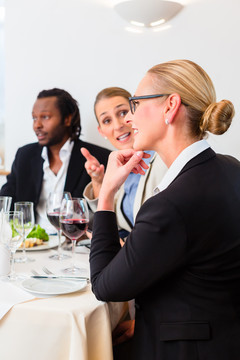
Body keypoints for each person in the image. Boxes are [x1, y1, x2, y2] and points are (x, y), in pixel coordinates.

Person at [89, 60, 240, 360]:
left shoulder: (170, 204)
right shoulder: (231, 167)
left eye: (134, 103)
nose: (129, 118)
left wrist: (105, 194)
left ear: (170, 106)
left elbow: (105, 285)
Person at [0, 88, 110, 232]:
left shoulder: (98, 157)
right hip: (32, 243)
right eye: (34, 118)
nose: (37, 125)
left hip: (75, 245)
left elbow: (104, 216)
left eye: (45, 117)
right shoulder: (24, 155)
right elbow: (6, 199)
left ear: (67, 119)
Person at [81, 87, 167, 239]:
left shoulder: (164, 160)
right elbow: (110, 220)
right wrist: (98, 180)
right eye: (107, 121)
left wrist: (118, 246)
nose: (118, 125)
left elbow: (160, 233)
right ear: (101, 132)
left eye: (122, 112)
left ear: (137, 112)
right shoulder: (122, 166)